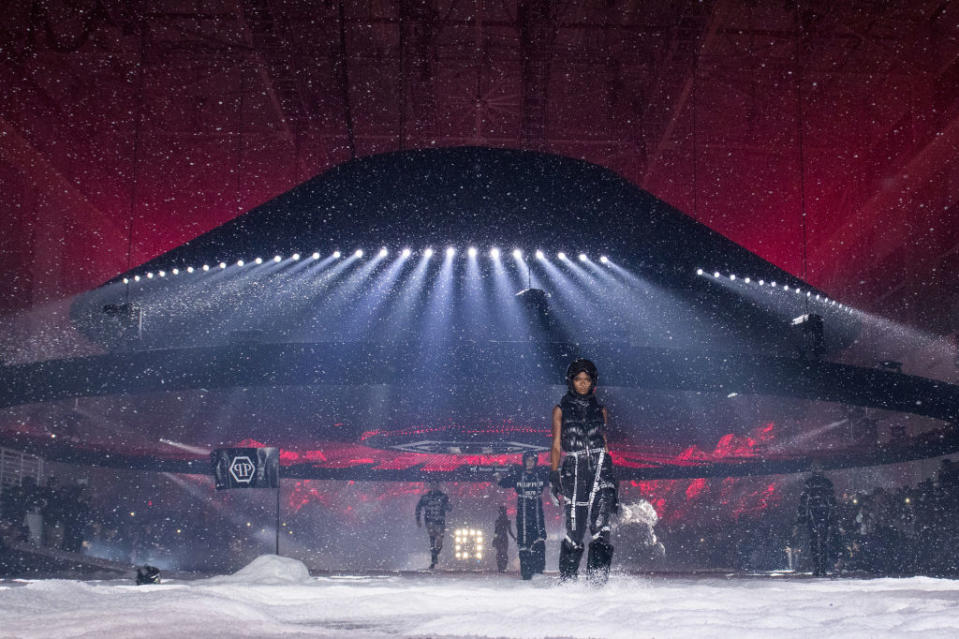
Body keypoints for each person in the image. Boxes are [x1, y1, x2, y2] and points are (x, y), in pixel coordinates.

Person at [550, 358, 618, 584]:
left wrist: (612, 476)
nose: (582, 383)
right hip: (575, 468)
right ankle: (568, 581)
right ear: (571, 381)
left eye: (587, 379)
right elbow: (557, 444)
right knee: (575, 529)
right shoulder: (560, 409)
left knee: (601, 527)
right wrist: (553, 473)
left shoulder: (601, 409)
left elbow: (605, 441)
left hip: (600, 467)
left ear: (593, 382)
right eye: (578, 379)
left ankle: (598, 582)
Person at [497, 451, 548, 579]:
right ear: (524, 461)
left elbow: (555, 479)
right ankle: (526, 574)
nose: (530, 463)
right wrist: (497, 475)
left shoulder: (541, 475)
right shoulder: (518, 476)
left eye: (532, 460)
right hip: (523, 517)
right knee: (524, 544)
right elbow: (503, 483)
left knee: (539, 541)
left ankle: (538, 571)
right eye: (528, 460)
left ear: (536, 462)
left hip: (537, 516)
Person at [793, 461, 837, 577]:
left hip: (818, 513)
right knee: (820, 542)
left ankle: (820, 567)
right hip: (818, 513)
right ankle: (820, 567)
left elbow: (804, 500)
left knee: (818, 542)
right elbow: (831, 501)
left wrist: (801, 516)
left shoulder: (817, 483)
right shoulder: (820, 483)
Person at [415, 480, 452, 569]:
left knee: (439, 540)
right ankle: (433, 559)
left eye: (435, 485)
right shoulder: (425, 497)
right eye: (432, 485)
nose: (433, 487)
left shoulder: (443, 497)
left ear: (438, 486)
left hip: (440, 522)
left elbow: (450, 508)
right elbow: (418, 508)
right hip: (430, 521)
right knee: (432, 538)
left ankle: (435, 554)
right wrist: (418, 520)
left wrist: (445, 506)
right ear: (430, 486)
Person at [492, 505, 515, 572]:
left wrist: (494, 538)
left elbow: (496, 531)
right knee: (502, 553)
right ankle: (502, 566)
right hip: (503, 538)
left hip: (500, 538)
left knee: (501, 553)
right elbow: (509, 531)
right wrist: (514, 537)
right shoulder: (506, 521)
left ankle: (501, 566)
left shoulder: (499, 521)